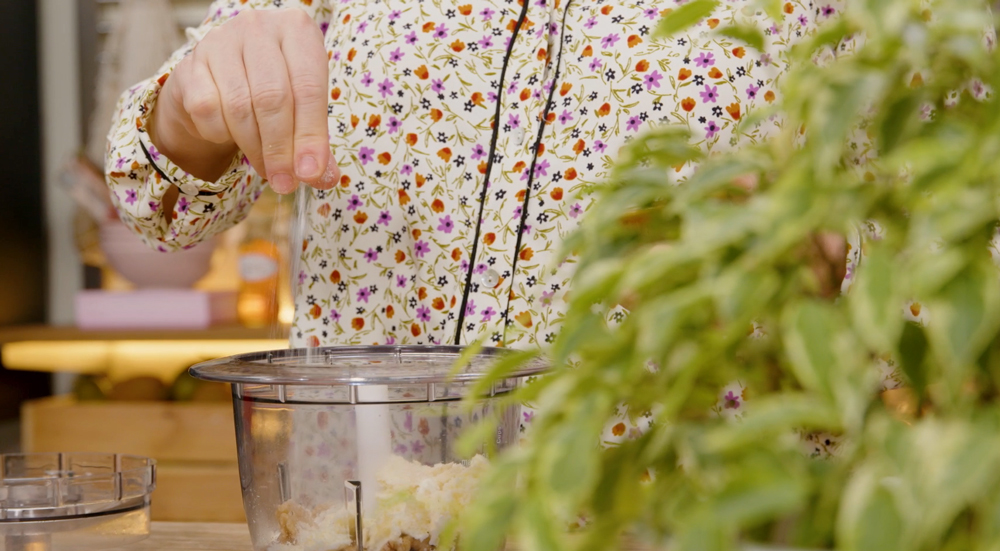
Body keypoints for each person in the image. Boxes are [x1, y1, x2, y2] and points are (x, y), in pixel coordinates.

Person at [106, 0, 842, 354]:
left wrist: (835, 260)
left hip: (674, 546)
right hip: (369, 526)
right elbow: (157, 204)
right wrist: (190, 107)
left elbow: (944, 251)